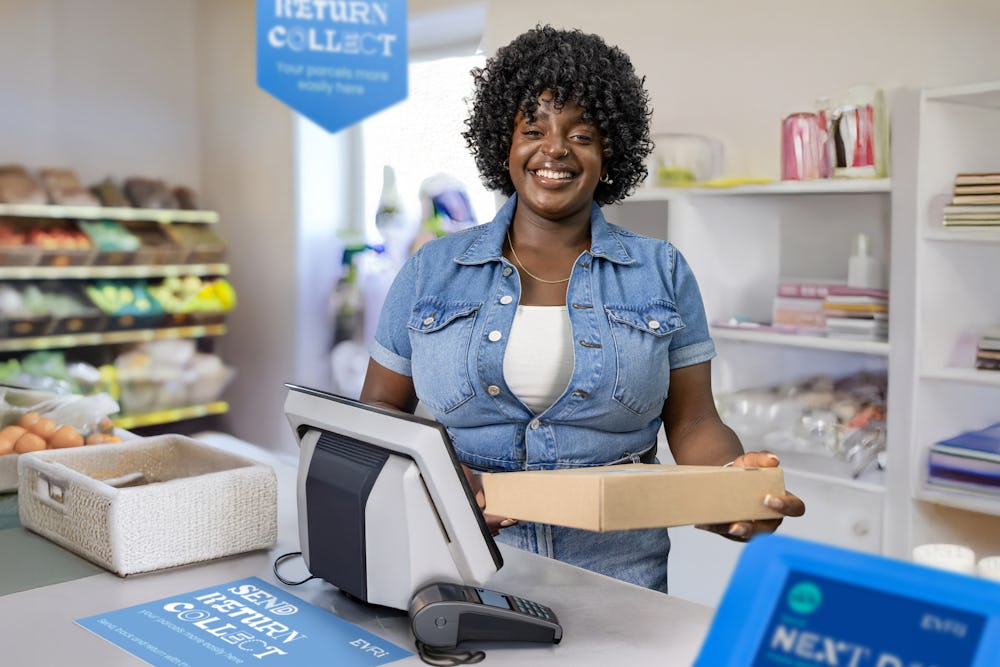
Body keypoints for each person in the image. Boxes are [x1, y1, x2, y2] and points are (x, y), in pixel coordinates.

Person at [360, 24, 804, 593]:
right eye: (533, 129)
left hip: (619, 568)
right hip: (457, 555)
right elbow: (377, 411)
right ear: (505, 144)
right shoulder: (430, 270)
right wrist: (437, 479)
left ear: (608, 151)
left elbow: (693, 421)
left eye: (582, 134)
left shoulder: (661, 270)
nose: (555, 149)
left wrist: (729, 485)